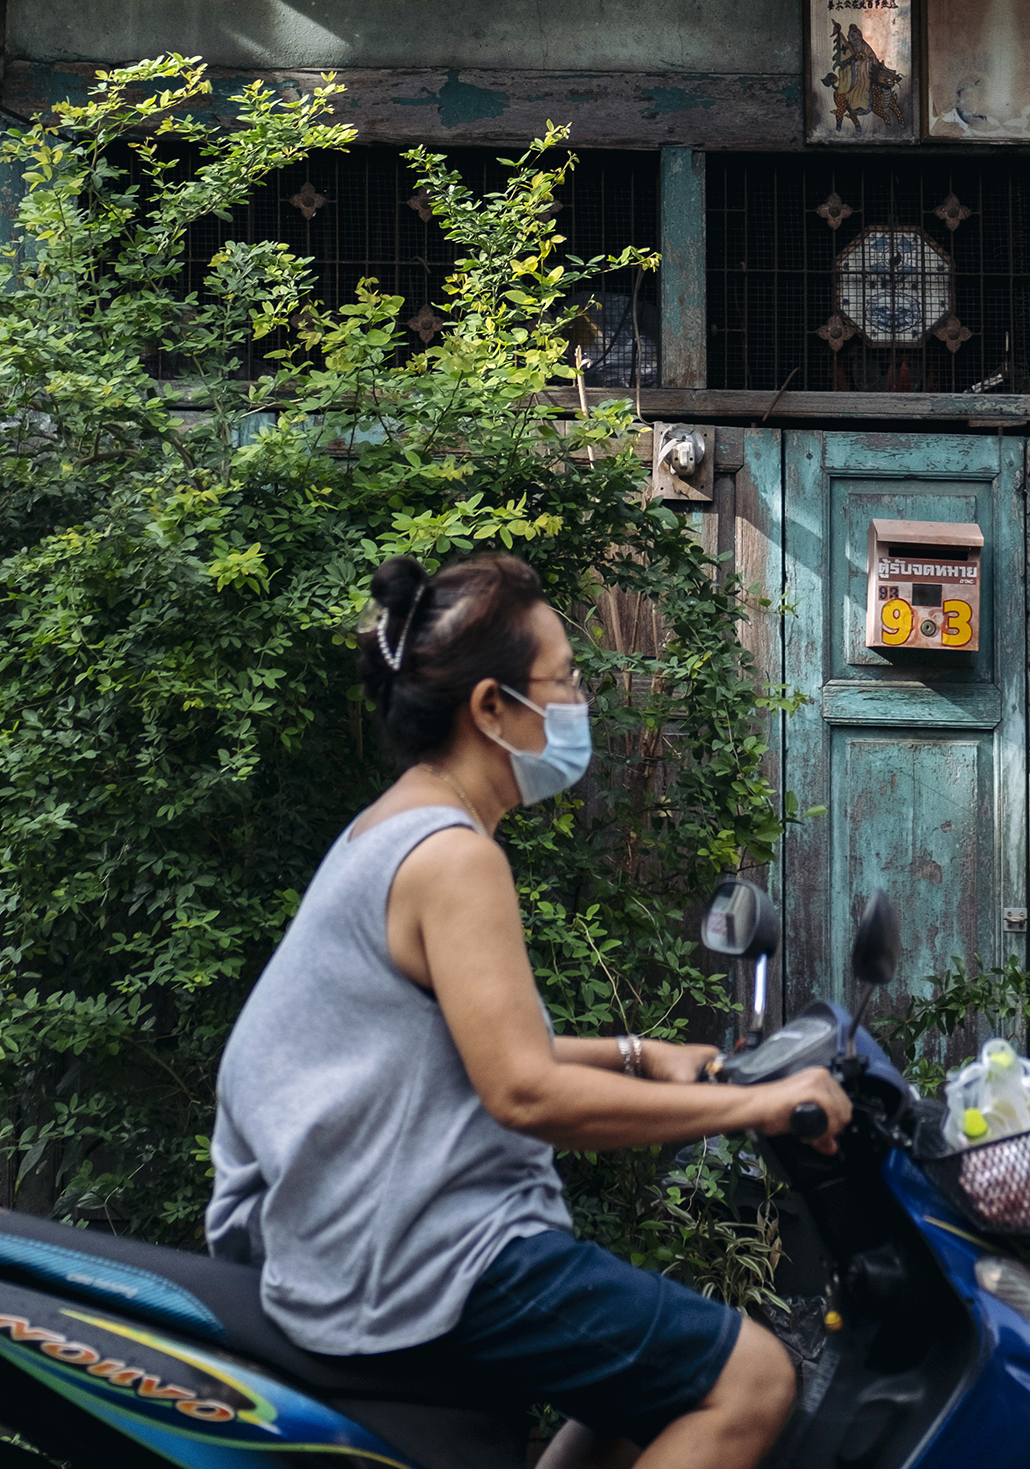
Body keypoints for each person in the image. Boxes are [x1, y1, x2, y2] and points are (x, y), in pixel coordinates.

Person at [206, 551, 849, 1469]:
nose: (581, 698)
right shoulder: (454, 858)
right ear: (492, 710)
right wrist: (754, 1103)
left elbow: (456, 1047)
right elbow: (523, 1093)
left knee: (644, 1392)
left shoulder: (395, 825)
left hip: (370, 1235)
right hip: (422, 1253)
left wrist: (641, 1054)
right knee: (751, 1379)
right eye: (565, 679)